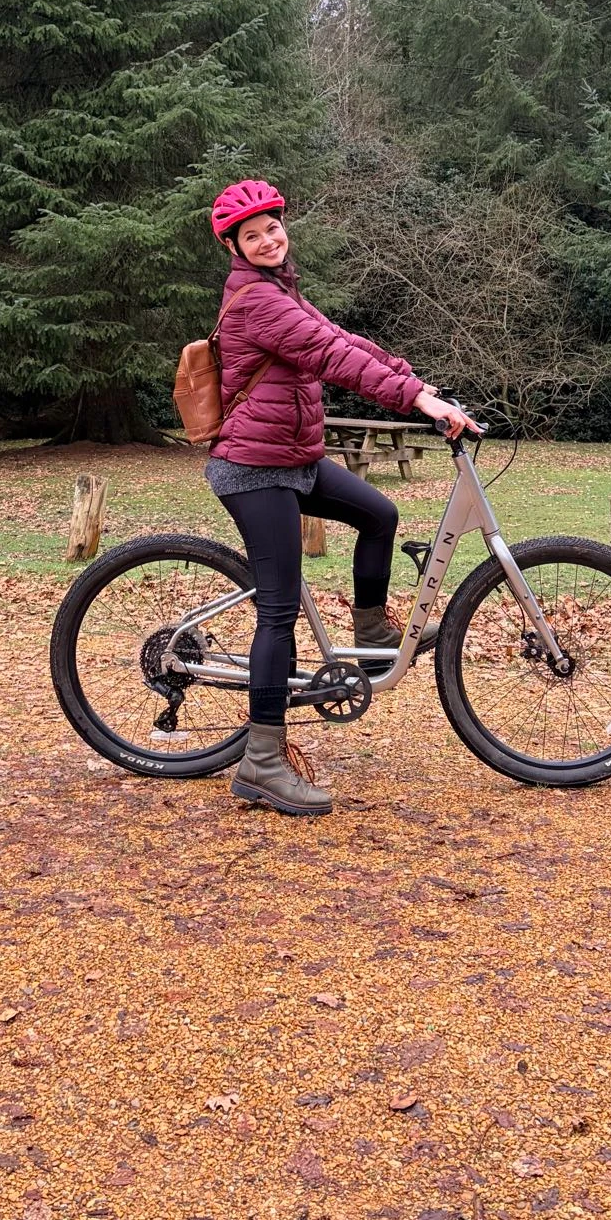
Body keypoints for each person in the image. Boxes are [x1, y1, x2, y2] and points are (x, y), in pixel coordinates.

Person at [204, 178, 479, 816]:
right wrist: (416, 401)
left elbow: (345, 339)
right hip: (255, 470)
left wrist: (418, 385)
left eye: (273, 227)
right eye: (253, 235)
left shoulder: (280, 290)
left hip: (295, 460)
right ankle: (263, 762)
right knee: (278, 610)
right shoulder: (256, 302)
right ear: (235, 248)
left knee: (379, 513)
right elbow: (330, 355)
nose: (269, 239)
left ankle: (372, 628)